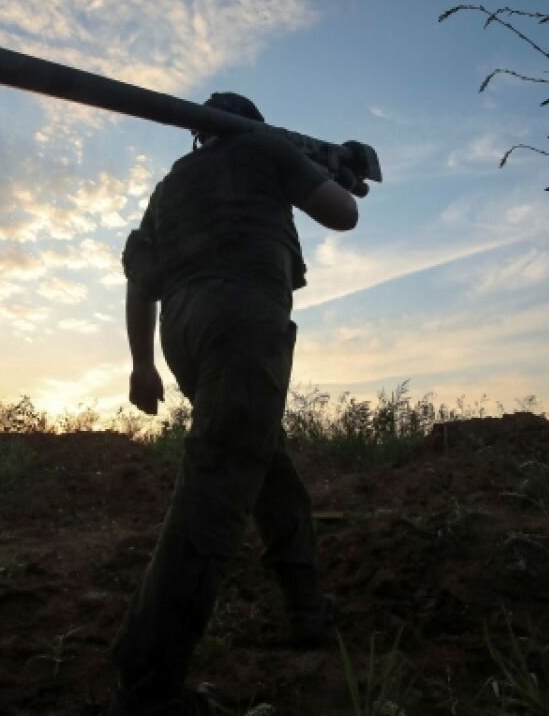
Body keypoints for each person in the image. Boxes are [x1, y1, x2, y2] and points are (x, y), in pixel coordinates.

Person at [108, 92, 360, 715]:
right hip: (243, 321)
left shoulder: (170, 186)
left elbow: (142, 282)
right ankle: (149, 689)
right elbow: (343, 214)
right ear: (256, 123)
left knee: (265, 464)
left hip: (183, 333)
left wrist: (141, 365)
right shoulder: (267, 148)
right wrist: (321, 173)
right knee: (216, 488)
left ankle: (306, 608)